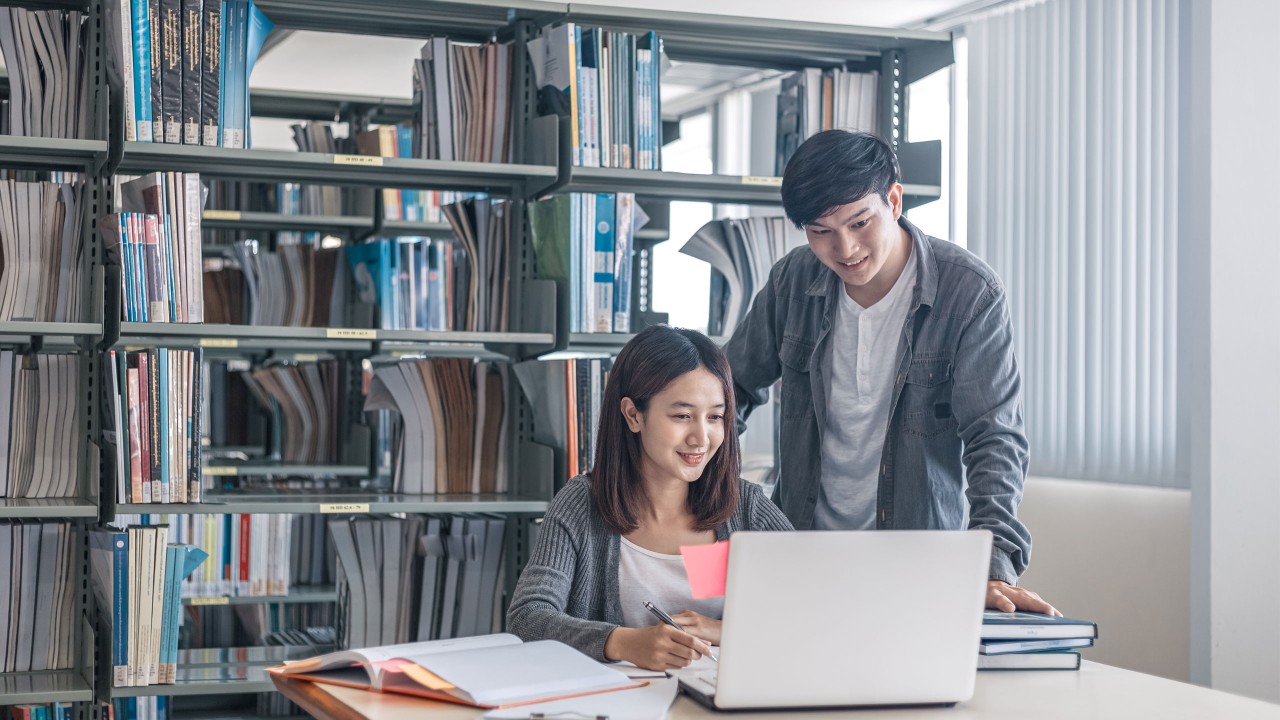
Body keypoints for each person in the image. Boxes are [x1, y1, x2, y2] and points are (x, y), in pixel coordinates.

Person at [724, 130, 1058, 616]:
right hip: (801, 555)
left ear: (894, 200)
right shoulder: (792, 281)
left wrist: (991, 565)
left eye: (860, 222)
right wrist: (709, 505)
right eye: (821, 231)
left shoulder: (969, 293)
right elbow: (725, 395)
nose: (845, 249)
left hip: (919, 566)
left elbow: (995, 438)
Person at [507, 325, 793, 671]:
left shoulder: (745, 507)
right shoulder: (582, 504)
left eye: (715, 417)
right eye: (682, 416)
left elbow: (818, 604)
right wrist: (623, 642)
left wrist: (723, 630)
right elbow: (527, 618)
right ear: (633, 415)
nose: (701, 438)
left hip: (717, 702)